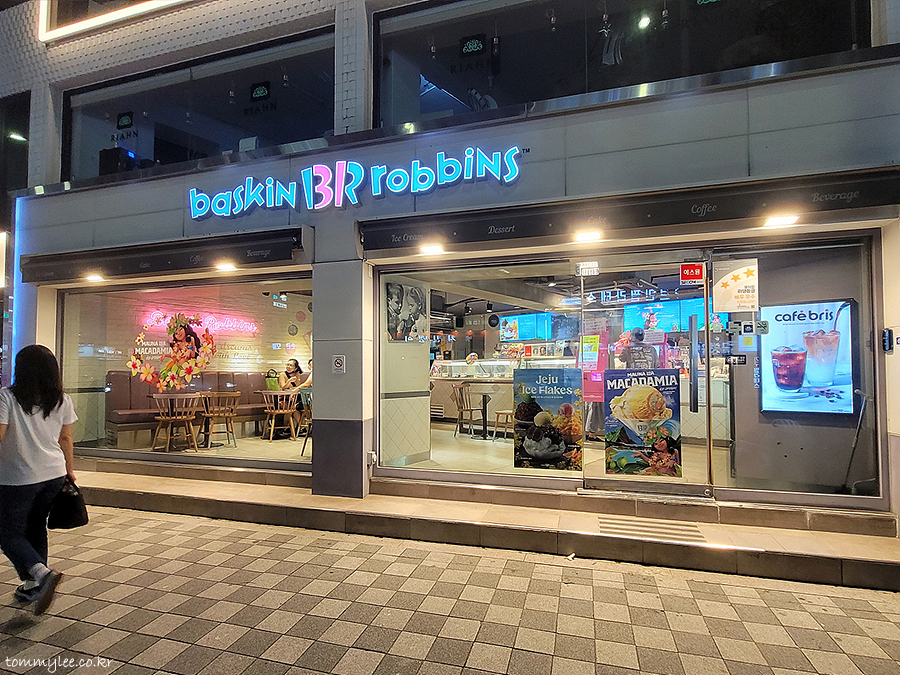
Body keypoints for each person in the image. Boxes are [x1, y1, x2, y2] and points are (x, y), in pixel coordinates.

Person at [0, 345, 77, 615]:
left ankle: (41, 575)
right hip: (53, 474)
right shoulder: (61, 400)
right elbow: (65, 438)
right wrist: (69, 470)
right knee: (35, 527)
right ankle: (34, 584)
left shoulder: (7, 397)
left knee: (7, 531)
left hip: (17, 477)